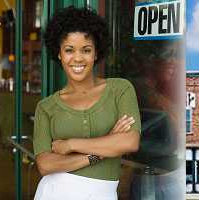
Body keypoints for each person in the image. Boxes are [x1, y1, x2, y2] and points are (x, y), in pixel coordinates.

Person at [32, 6, 141, 200]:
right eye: (69, 50)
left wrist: (70, 144)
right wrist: (101, 150)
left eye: (86, 50)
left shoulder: (120, 89)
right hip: (54, 193)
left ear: (96, 53)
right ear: (59, 54)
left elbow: (129, 142)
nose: (78, 58)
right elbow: (45, 164)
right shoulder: (46, 107)